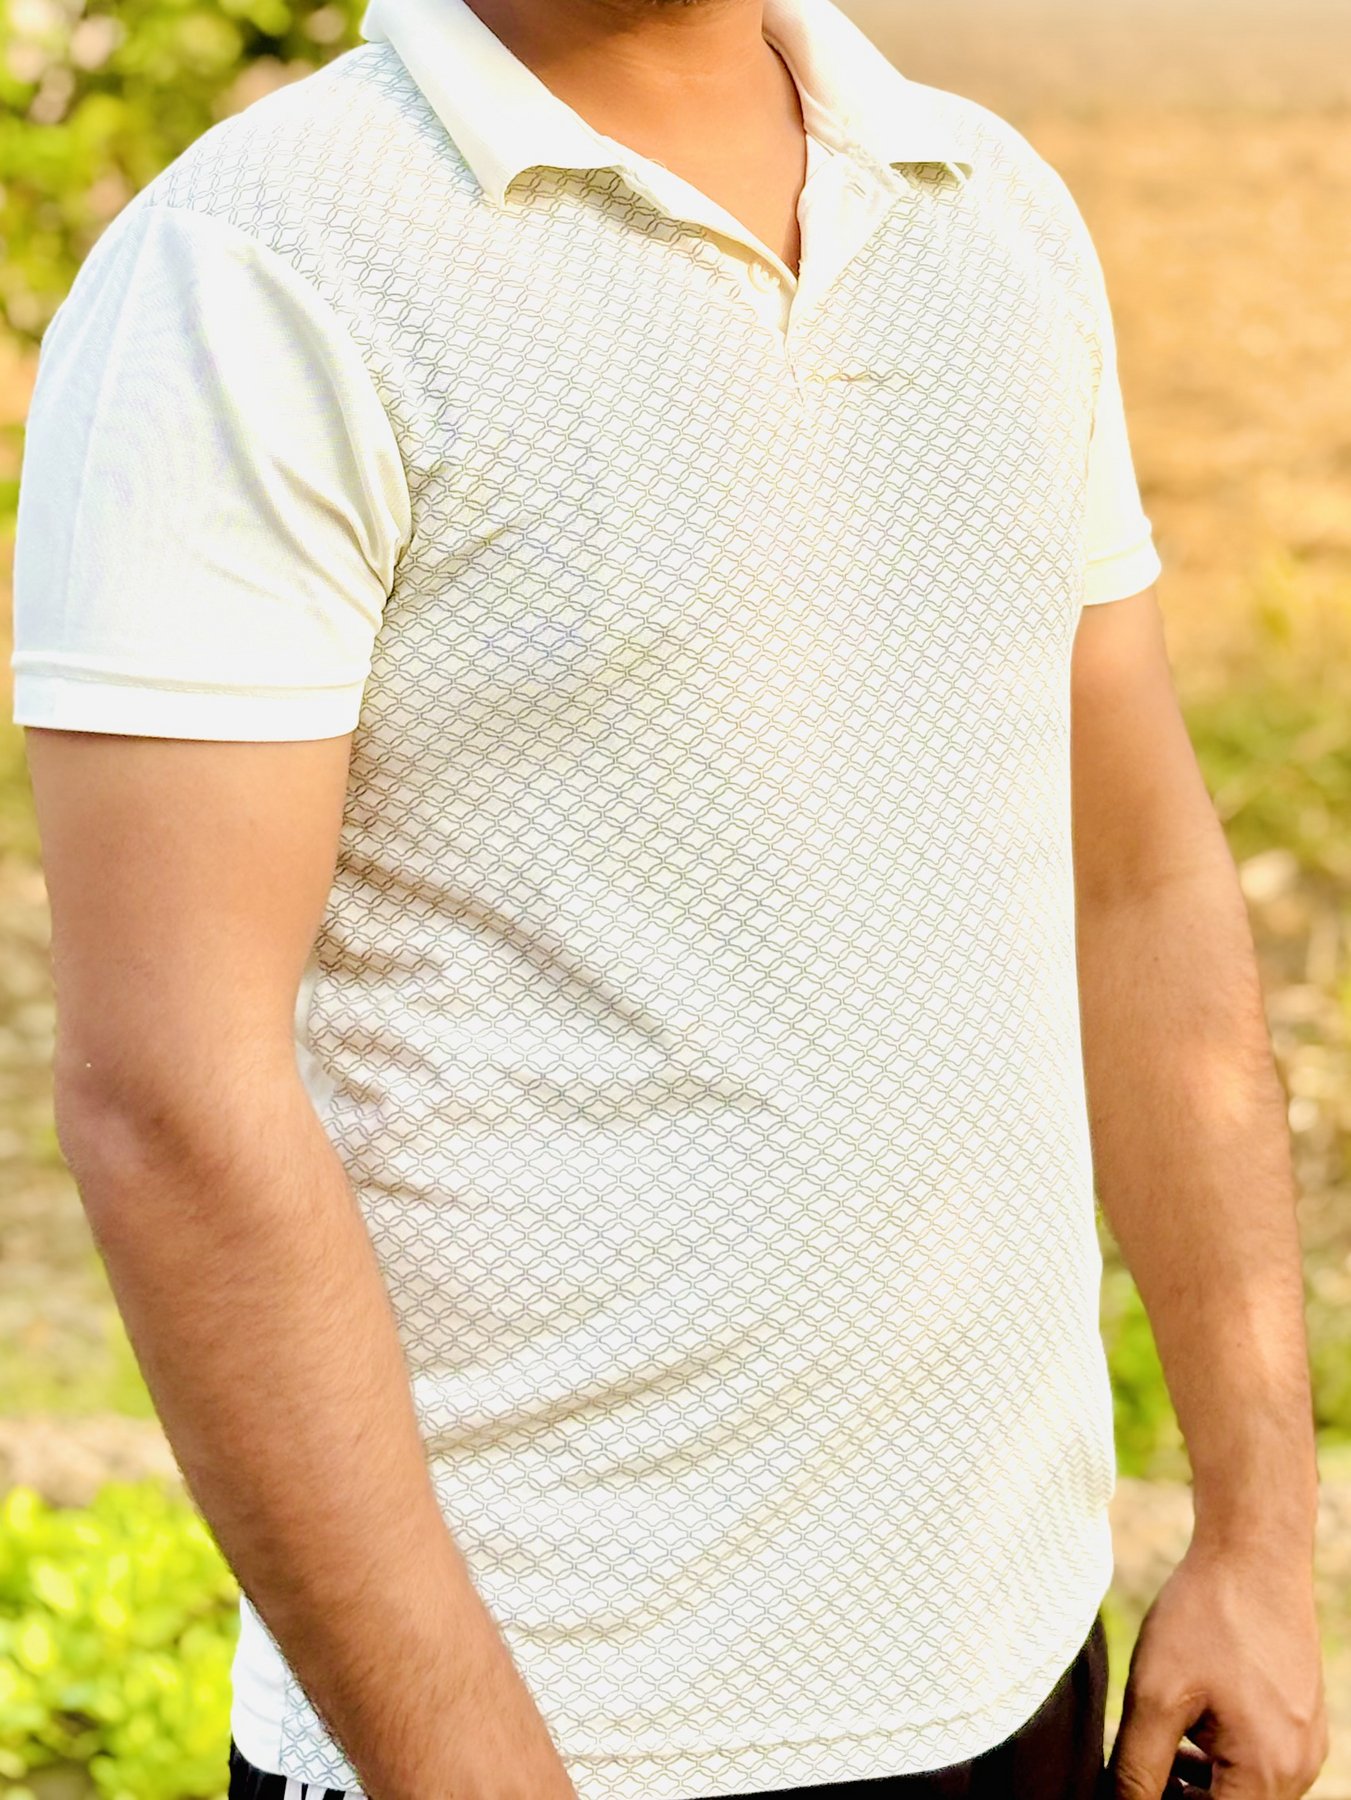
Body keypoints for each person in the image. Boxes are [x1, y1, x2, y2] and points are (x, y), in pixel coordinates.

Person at [9, 0, 1329, 1793]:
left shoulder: (992, 209)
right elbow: (171, 1095)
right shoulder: (253, 269)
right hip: (552, 1727)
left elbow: (1140, 885)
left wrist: (1257, 1530)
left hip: (1014, 1663)